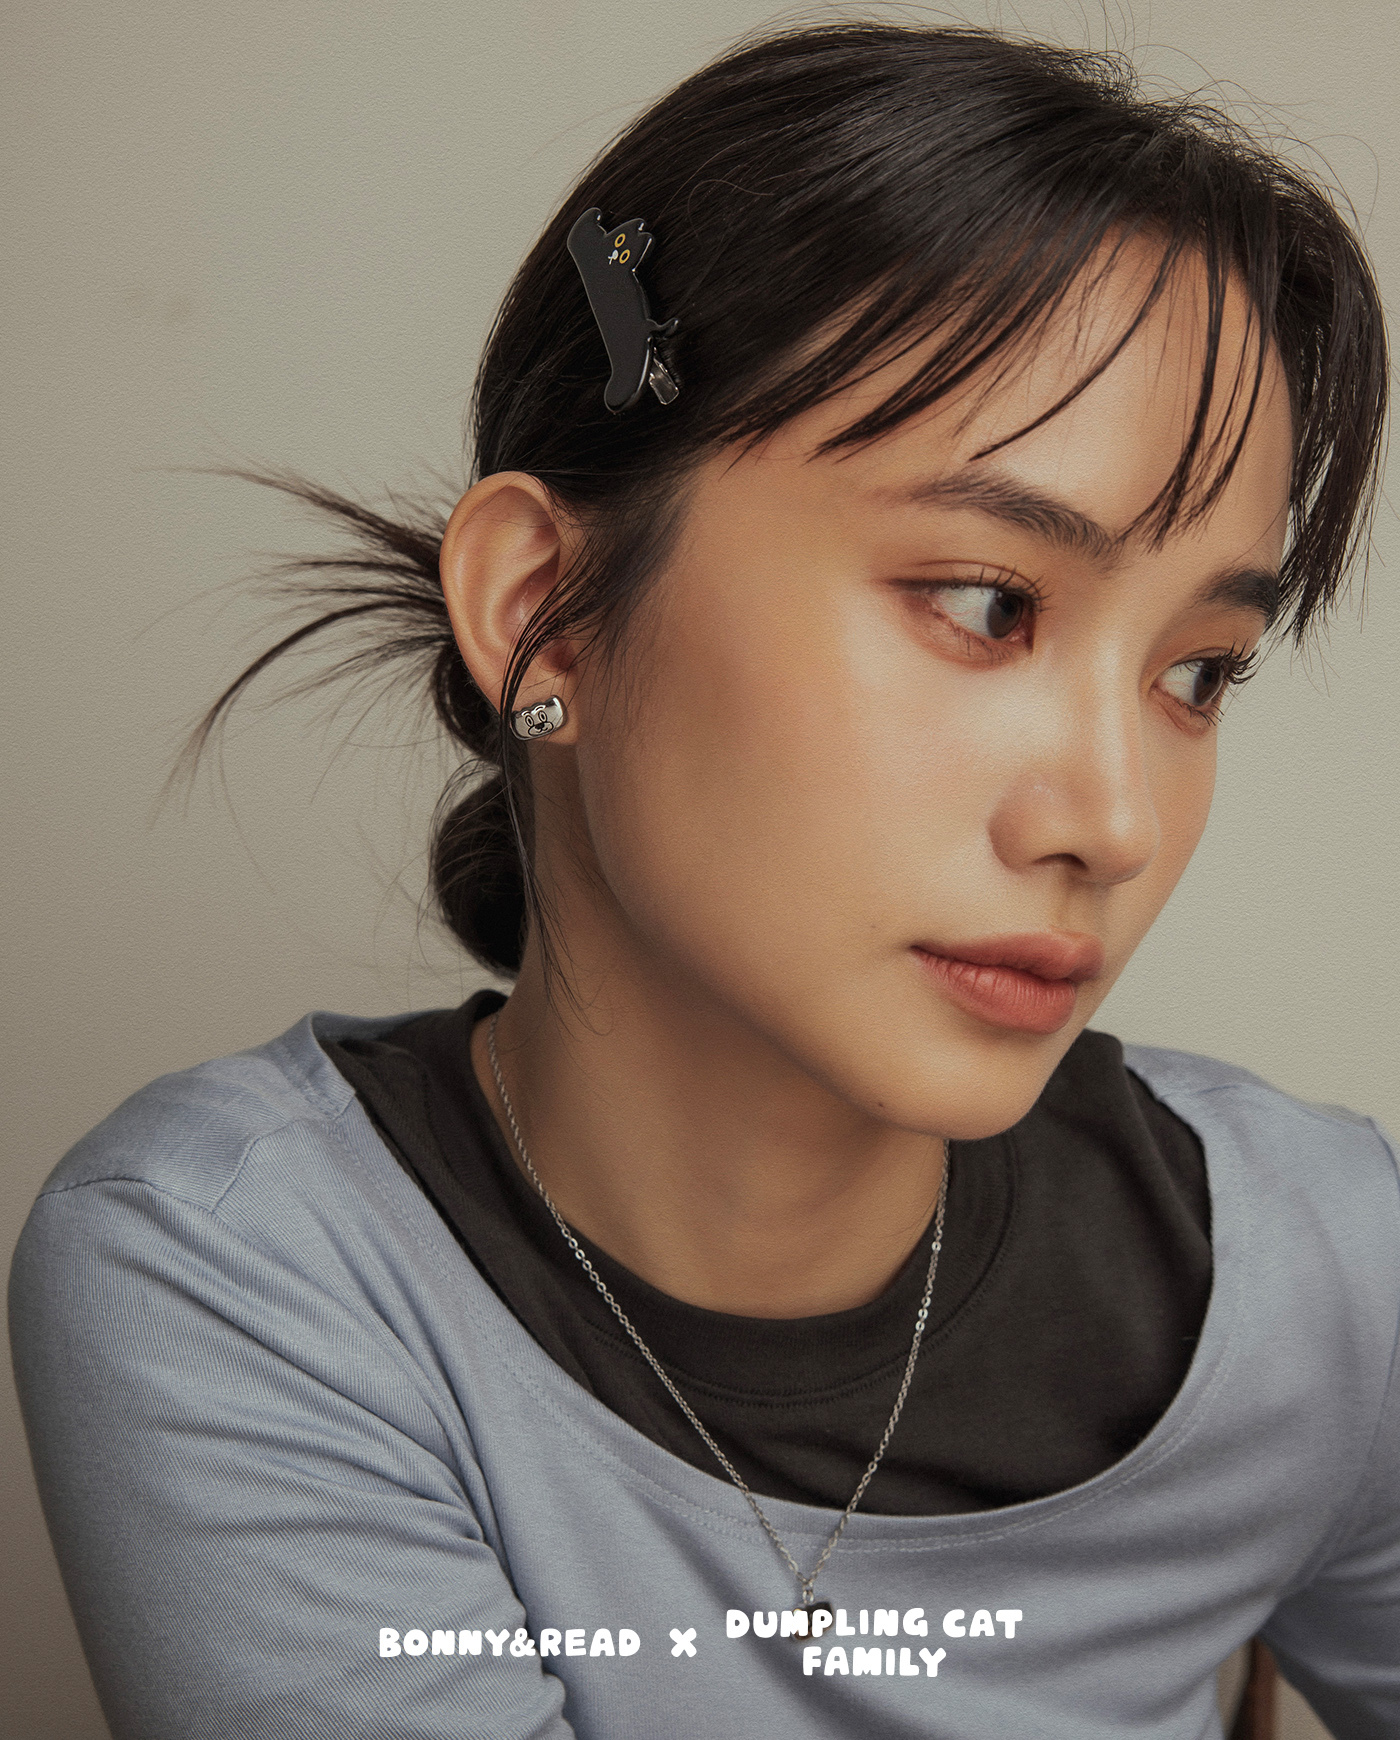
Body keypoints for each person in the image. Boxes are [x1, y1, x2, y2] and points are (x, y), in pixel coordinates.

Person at [9, 22, 1396, 1740]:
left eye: (1199, 674)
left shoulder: (1323, 1272)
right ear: (544, 613)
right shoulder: (248, 1269)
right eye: (986, 605)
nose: (1113, 820)